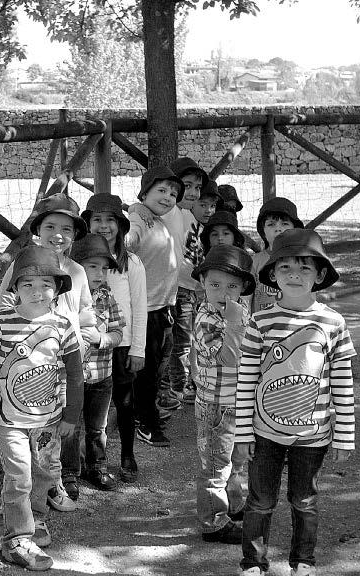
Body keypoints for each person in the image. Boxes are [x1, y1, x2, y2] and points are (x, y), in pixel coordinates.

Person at [234, 229, 356, 576]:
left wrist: (344, 435)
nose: (294, 276)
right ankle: (253, 563)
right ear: (272, 275)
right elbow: (246, 381)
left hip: (313, 435)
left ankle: (303, 562)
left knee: (304, 501)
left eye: (305, 269)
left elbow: (344, 383)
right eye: (285, 267)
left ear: (319, 275)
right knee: (260, 502)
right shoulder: (259, 322)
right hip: (264, 434)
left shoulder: (333, 322)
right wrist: (243, 434)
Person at [0, 245, 84, 571]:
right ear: (14, 289)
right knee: (18, 476)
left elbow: (76, 373)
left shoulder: (63, 325)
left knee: (43, 473)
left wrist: (71, 417)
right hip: (10, 420)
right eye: (27, 285)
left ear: (57, 289)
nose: (37, 293)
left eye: (45, 286)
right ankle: (18, 539)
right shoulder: (2, 323)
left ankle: (35, 519)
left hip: (49, 422)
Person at [0, 191, 94, 510]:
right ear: (38, 229)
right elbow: (6, 310)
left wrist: (84, 341)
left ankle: (53, 486)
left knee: (55, 432)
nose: (58, 235)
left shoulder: (77, 272)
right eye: (51, 226)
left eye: (66, 229)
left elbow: (85, 314)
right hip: (29, 366)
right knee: (28, 431)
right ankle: (24, 496)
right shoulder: (23, 266)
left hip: (65, 362)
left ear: (75, 234)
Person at [190, 245, 255, 545]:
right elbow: (229, 357)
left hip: (237, 400)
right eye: (215, 284)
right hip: (217, 405)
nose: (223, 292)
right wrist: (234, 321)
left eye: (232, 285)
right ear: (203, 283)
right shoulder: (209, 318)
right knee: (216, 465)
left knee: (236, 458)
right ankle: (214, 522)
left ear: (243, 287)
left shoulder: (238, 312)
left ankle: (233, 504)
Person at [82, 193, 147, 482]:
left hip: (121, 344)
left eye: (110, 220)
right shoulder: (79, 260)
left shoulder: (130, 263)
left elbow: (140, 306)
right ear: (88, 223)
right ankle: (89, 460)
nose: (104, 226)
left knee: (124, 401)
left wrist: (138, 349)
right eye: (97, 219)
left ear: (121, 225)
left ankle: (127, 455)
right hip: (87, 346)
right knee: (88, 405)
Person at [125, 166, 185, 448]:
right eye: (161, 190)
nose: (168, 197)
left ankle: (142, 413)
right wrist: (128, 237)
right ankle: (146, 423)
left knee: (156, 366)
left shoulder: (157, 219)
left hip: (163, 307)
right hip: (146, 309)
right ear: (144, 192)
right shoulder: (138, 217)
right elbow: (129, 239)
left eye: (173, 193)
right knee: (147, 371)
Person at [61, 233, 125, 494]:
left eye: (104, 268)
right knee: (71, 428)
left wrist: (101, 338)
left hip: (101, 376)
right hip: (72, 378)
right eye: (92, 266)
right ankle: (69, 473)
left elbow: (119, 333)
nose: (99, 273)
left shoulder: (108, 299)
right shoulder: (66, 297)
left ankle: (96, 466)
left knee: (98, 428)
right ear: (77, 268)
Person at [164, 177, 221, 406]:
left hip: (194, 291)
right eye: (203, 204)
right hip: (179, 289)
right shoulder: (183, 215)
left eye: (212, 206)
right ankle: (179, 387)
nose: (208, 210)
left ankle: (182, 383)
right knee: (182, 342)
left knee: (190, 340)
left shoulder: (203, 228)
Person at [251, 197, 304, 313]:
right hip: (262, 326)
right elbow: (246, 299)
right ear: (263, 231)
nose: (278, 229)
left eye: (284, 223)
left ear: (295, 229)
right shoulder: (255, 262)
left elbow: (310, 297)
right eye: (271, 224)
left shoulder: (304, 261)